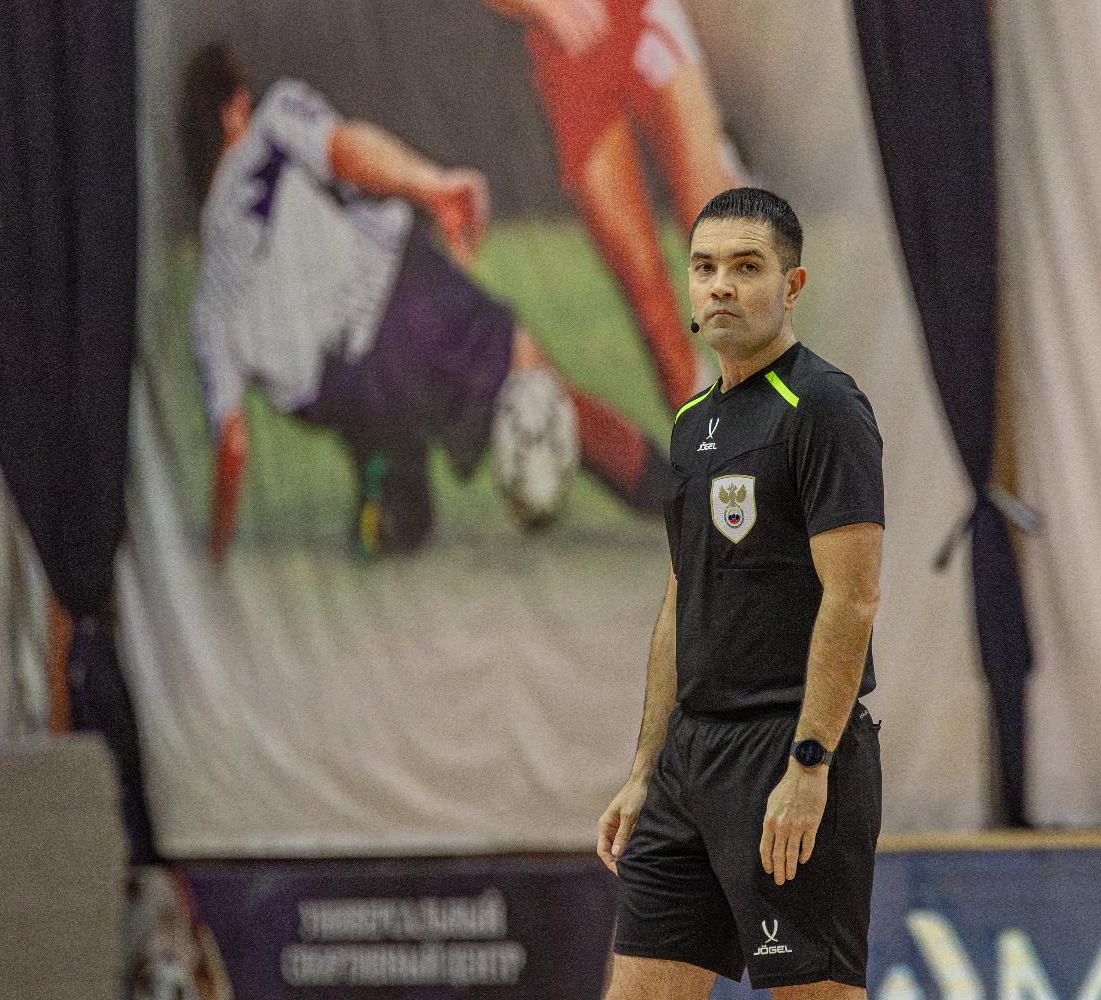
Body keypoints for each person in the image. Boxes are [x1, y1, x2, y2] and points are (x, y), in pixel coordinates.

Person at [178, 43, 672, 562]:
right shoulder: (270, 127)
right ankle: (681, 498)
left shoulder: (207, 307)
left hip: (342, 396)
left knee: (390, 455)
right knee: (541, 390)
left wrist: (214, 554)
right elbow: (346, 151)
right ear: (233, 110)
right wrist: (431, 186)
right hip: (405, 309)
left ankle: (391, 479)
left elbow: (232, 444)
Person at [595, 188, 884, 997]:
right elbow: (680, 601)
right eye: (704, 267)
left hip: (784, 753)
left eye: (746, 267)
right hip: (689, 764)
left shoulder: (824, 407)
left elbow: (853, 598)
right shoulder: (690, 423)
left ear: (792, 287)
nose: (720, 284)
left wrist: (810, 763)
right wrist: (646, 769)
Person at [485, 0, 746, 411]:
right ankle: (714, 443)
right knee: (652, 307)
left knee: (725, 252)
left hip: (638, 16)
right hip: (565, 56)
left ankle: (788, 424)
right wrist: (544, 6)